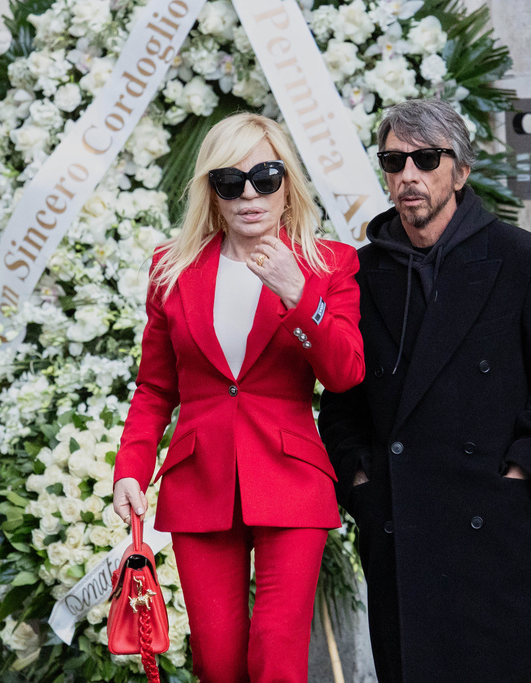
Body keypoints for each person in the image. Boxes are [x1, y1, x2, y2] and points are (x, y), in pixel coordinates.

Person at [318, 98, 531, 683]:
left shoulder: (523, 261)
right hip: (400, 529)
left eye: (426, 159)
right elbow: (341, 403)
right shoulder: (361, 275)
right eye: (395, 161)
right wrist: (363, 484)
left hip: (493, 529)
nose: (408, 175)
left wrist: (519, 481)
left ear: (460, 171)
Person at [111, 112, 364, 683]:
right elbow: (155, 386)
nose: (250, 195)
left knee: (277, 656)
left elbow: (346, 371)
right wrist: (131, 467)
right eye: (231, 182)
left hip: (291, 477)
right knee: (218, 662)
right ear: (213, 193)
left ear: (286, 185)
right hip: (200, 479)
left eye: (266, 177)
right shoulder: (170, 270)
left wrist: (297, 294)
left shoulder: (328, 264)